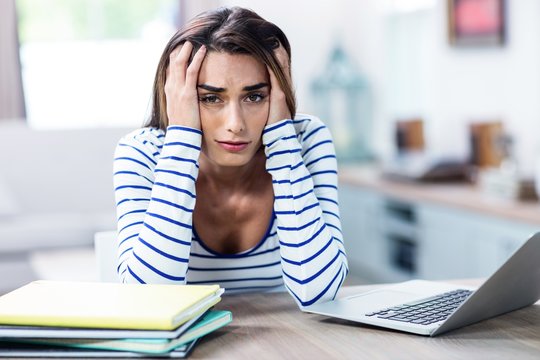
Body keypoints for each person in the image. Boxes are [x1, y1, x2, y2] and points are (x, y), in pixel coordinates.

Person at [113, 6, 348, 307]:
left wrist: (283, 139)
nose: (235, 123)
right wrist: (182, 137)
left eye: (254, 96)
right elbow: (149, 300)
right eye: (210, 98)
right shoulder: (141, 152)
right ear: (177, 96)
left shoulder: (304, 140)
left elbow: (319, 292)